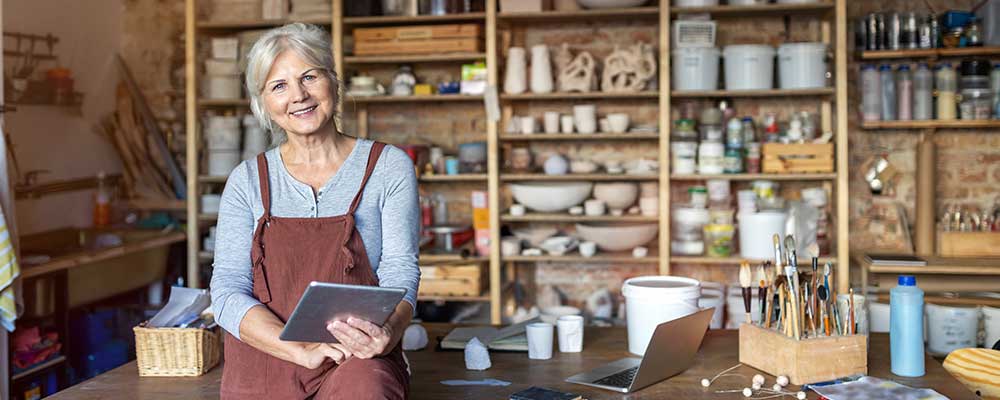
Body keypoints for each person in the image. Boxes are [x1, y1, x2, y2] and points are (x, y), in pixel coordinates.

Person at [210, 23, 419, 399]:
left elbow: (401, 269)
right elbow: (226, 291)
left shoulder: (388, 167)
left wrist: (387, 333)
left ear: (334, 83)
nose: (299, 96)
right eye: (279, 86)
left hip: (354, 355)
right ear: (264, 105)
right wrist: (297, 350)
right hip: (267, 356)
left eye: (309, 76)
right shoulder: (246, 182)